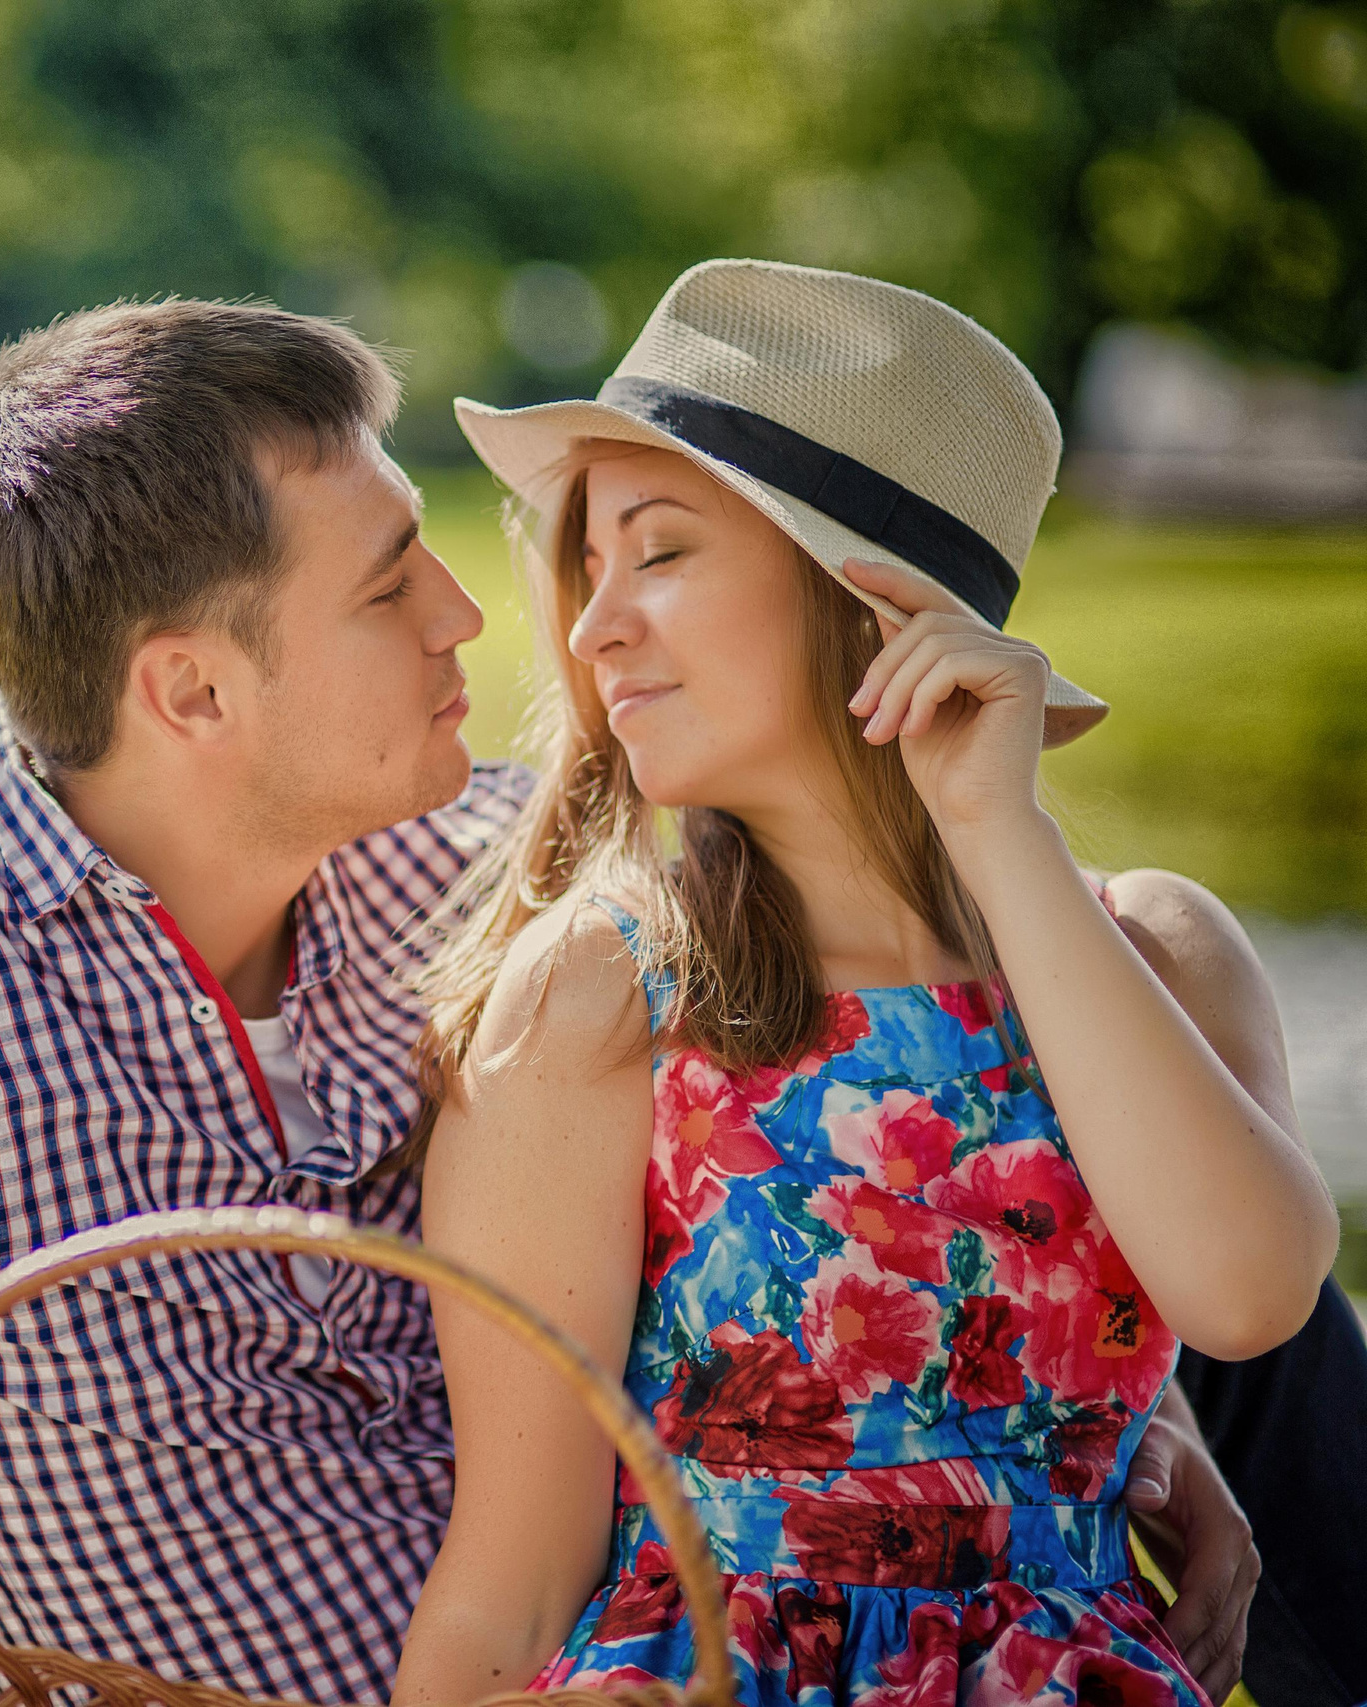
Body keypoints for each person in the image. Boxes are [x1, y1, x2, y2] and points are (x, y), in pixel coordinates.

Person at [0, 297, 1272, 1707]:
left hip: (937, 1602)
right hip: (553, 1650)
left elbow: (987, 1130)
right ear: (190, 690)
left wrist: (1112, 1406)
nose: (487, 619)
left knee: (1224, 1156)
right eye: (394, 583)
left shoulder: (473, 854)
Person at [391, 260, 1347, 1707]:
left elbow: (1247, 1296)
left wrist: (999, 834)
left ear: (868, 594)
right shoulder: (609, 995)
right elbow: (511, 1583)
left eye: (657, 553)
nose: (591, 632)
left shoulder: (1151, 948)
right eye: (589, 567)